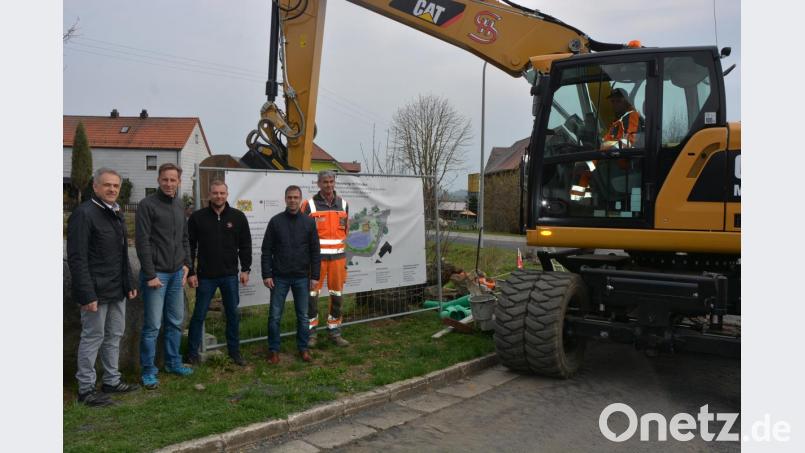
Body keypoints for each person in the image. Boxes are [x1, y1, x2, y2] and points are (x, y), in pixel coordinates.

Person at [67, 168, 140, 406]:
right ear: (95, 187)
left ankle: (111, 380)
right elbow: (77, 258)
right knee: (92, 338)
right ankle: (86, 389)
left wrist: (129, 282)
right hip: (95, 292)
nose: (112, 189)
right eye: (107, 185)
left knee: (114, 336)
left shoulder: (115, 212)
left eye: (116, 186)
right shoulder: (84, 214)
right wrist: (87, 294)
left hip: (117, 289)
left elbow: (121, 253)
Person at [135, 163, 193, 389]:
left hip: (177, 273)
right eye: (165, 179)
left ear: (179, 181)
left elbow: (185, 238)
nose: (169, 184)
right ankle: (148, 370)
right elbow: (142, 242)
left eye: (173, 180)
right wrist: (150, 274)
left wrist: (187, 264)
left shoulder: (179, 205)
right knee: (152, 326)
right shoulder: (146, 205)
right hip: (156, 275)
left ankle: (173, 362)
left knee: (175, 322)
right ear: (158, 180)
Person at [186, 180, 252, 366]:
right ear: (209, 194)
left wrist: (245, 269)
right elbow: (189, 246)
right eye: (215, 193)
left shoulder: (238, 217)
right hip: (205, 276)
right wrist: (191, 271)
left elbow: (245, 245)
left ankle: (234, 352)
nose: (219, 196)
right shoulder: (197, 218)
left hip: (230, 275)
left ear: (227, 194)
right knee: (199, 315)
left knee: (232, 315)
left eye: (222, 193)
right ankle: (192, 354)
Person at [262, 185, 321, 364]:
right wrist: (267, 274)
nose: (293, 200)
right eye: (290, 197)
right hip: (279, 277)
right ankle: (274, 350)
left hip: (302, 277)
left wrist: (315, 276)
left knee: (303, 316)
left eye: (296, 197)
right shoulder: (275, 222)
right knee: (275, 316)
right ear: (285, 199)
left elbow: (315, 251)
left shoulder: (309, 222)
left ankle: (303, 349)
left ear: (300, 199)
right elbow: (266, 250)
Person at [300, 170, 350, 347]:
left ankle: (334, 331)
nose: (328, 185)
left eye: (331, 181)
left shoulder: (343, 204)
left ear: (334, 182)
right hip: (316, 261)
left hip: (338, 260)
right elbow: (301, 233)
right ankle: (311, 333)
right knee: (312, 295)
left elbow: (345, 232)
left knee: (337, 294)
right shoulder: (308, 205)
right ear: (318, 184)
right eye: (325, 182)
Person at [571, 88, 645, 200]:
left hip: (623, 162)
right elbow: (607, 142)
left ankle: (579, 200)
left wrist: (607, 148)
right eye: (613, 101)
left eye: (618, 101)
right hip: (610, 159)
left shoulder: (632, 116)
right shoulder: (618, 121)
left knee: (582, 168)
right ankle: (581, 199)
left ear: (626, 101)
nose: (615, 104)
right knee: (580, 167)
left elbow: (630, 140)